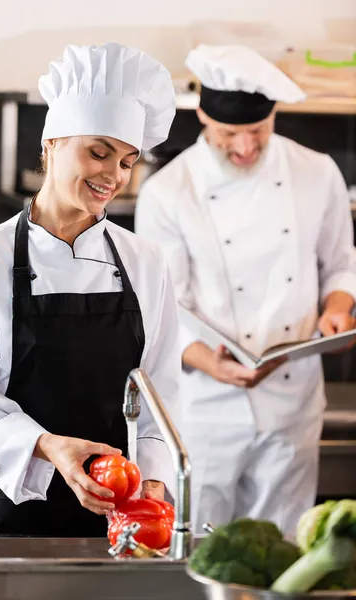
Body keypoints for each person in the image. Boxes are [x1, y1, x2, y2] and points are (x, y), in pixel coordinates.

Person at [0, 42, 181, 536]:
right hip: (20, 503)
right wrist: (50, 447)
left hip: (122, 510)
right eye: (98, 152)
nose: (113, 175)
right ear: (52, 141)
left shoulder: (145, 260)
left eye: (126, 161)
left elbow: (163, 392)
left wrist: (154, 484)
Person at [135, 44, 356, 536]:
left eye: (258, 131)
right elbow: (163, 307)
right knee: (201, 542)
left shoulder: (317, 172)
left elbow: (341, 265)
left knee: (284, 543)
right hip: (204, 404)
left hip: (293, 397)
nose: (245, 147)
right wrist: (208, 360)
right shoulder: (168, 192)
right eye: (229, 134)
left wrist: (337, 312)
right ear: (202, 121)